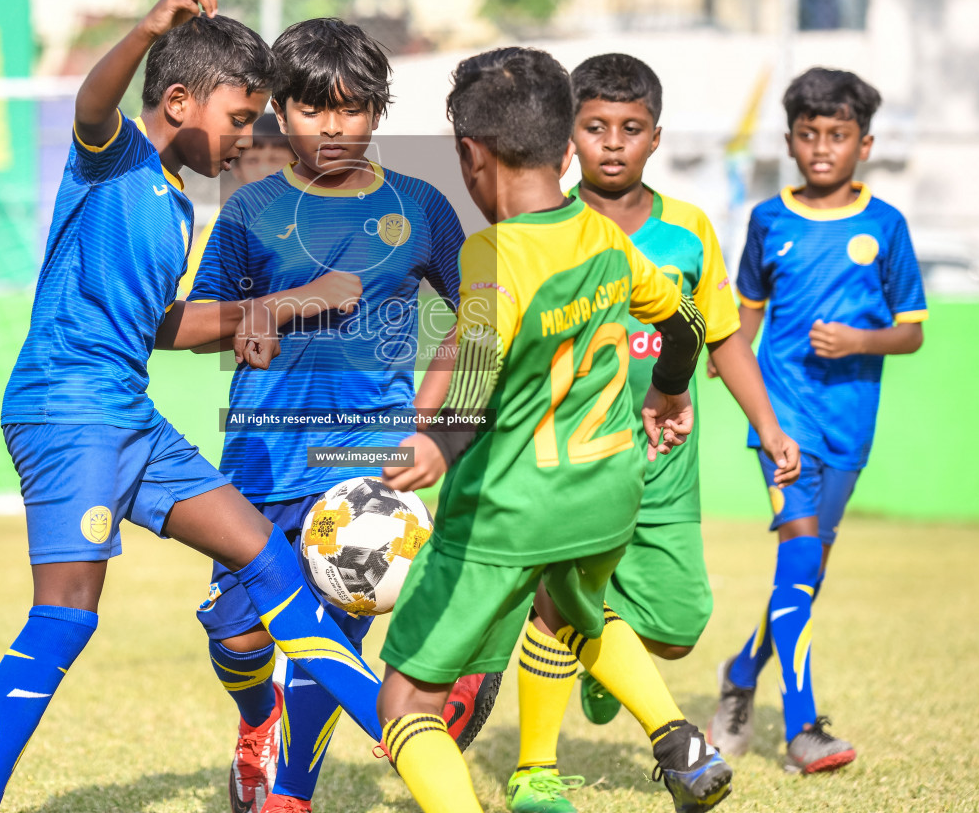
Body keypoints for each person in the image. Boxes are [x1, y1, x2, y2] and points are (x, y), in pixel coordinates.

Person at [0, 0, 391, 813]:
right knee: (67, 617)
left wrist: (278, 308)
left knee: (268, 556)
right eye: (239, 117)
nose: (247, 137)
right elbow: (91, 99)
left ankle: (395, 728)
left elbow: (159, 325)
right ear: (177, 101)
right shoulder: (114, 159)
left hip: (129, 417)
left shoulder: (180, 205)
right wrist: (148, 26)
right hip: (66, 412)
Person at [375, 47, 732, 813]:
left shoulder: (491, 252)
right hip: (607, 499)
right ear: (567, 148)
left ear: (470, 155)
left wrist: (439, 443)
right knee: (576, 612)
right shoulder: (605, 239)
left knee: (405, 701)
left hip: (511, 512)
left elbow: (474, 365)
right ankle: (674, 737)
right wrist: (669, 393)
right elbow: (685, 321)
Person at [181, 17, 491, 813]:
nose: (334, 127)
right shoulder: (249, 211)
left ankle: (291, 793)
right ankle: (256, 721)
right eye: (314, 109)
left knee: (327, 629)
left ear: (377, 113)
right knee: (239, 639)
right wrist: (265, 315)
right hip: (262, 454)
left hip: (366, 458)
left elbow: (483, 316)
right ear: (281, 111)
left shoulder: (420, 206)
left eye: (352, 109)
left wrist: (441, 427)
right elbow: (206, 321)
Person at [505, 53, 800, 813]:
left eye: (629, 129)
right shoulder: (545, 229)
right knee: (561, 599)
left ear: (655, 138)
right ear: (567, 138)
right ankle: (536, 770)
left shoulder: (689, 230)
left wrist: (767, 426)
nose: (611, 142)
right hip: (571, 457)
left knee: (676, 627)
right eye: (594, 127)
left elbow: (725, 336)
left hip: (665, 466)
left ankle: (609, 662)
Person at [708, 67, 926, 774]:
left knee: (803, 575)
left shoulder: (885, 226)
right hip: (782, 418)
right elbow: (746, 306)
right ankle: (804, 731)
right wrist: (726, 353)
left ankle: (742, 673)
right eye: (809, 135)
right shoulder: (768, 220)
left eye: (837, 136)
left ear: (864, 143)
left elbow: (912, 330)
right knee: (798, 556)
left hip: (849, 423)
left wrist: (861, 341)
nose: (822, 148)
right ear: (790, 141)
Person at [180, 112, 296, 295]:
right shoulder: (227, 220)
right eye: (252, 161)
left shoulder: (316, 215)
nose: (264, 170)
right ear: (237, 171)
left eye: (275, 160)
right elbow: (195, 292)